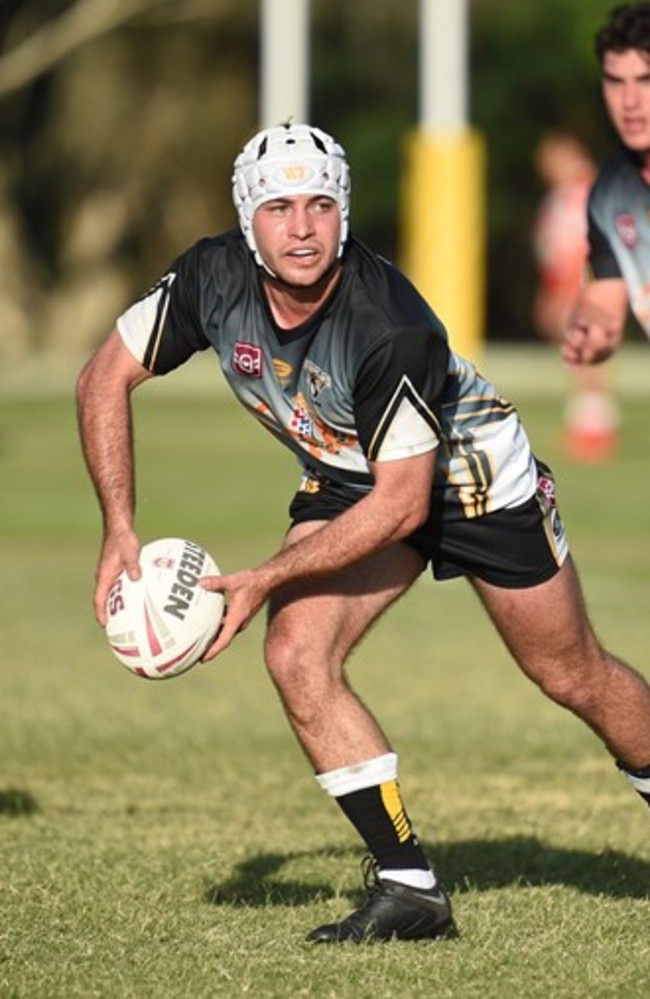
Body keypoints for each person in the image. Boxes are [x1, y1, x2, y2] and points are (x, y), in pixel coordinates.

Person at [77, 122, 650, 945]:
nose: (302, 227)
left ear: (345, 214)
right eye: (279, 207)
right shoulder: (212, 277)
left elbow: (403, 508)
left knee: (571, 673)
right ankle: (410, 886)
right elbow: (104, 376)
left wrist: (265, 577)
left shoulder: (389, 323)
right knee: (296, 654)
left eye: (320, 205)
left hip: (466, 475)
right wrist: (118, 528)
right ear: (248, 218)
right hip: (353, 469)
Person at [564, 3, 650, 371]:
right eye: (617, 82)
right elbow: (606, 297)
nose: (630, 102)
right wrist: (591, 322)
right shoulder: (610, 195)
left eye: (647, 80)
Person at [532, 131, 619, 462]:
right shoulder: (563, 195)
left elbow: (583, 246)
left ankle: (594, 430)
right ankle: (590, 423)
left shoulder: (586, 192)